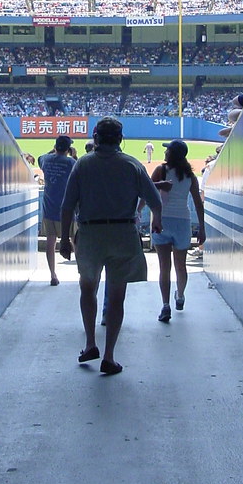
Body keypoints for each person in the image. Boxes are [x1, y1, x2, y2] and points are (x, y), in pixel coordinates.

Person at [59, 117, 163, 375]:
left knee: (87, 289)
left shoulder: (82, 164)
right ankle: (109, 356)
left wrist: (63, 237)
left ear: (95, 137)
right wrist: (157, 222)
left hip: (90, 233)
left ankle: (90, 344)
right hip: (123, 233)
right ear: (120, 139)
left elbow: (67, 205)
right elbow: (154, 201)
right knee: (116, 297)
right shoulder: (132, 164)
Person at [149, 139, 205, 322]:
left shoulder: (161, 170)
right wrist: (202, 229)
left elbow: (146, 189)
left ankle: (165, 305)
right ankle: (179, 296)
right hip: (183, 223)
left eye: (168, 150)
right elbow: (198, 203)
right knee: (181, 265)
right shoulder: (190, 176)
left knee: (164, 267)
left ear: (172, 154)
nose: (165, 153)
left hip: (162, 221)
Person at [38, 135, 76, 286]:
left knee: (50, 241)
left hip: (49, 208)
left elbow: (41, 157)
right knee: (75, 240)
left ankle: (53, 275)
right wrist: (71, 154)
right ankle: (81, 275)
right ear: (68, 149)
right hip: (67, 209)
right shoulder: (71, 162)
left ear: (55, 147)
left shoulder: (46, 160)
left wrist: (54, 151)